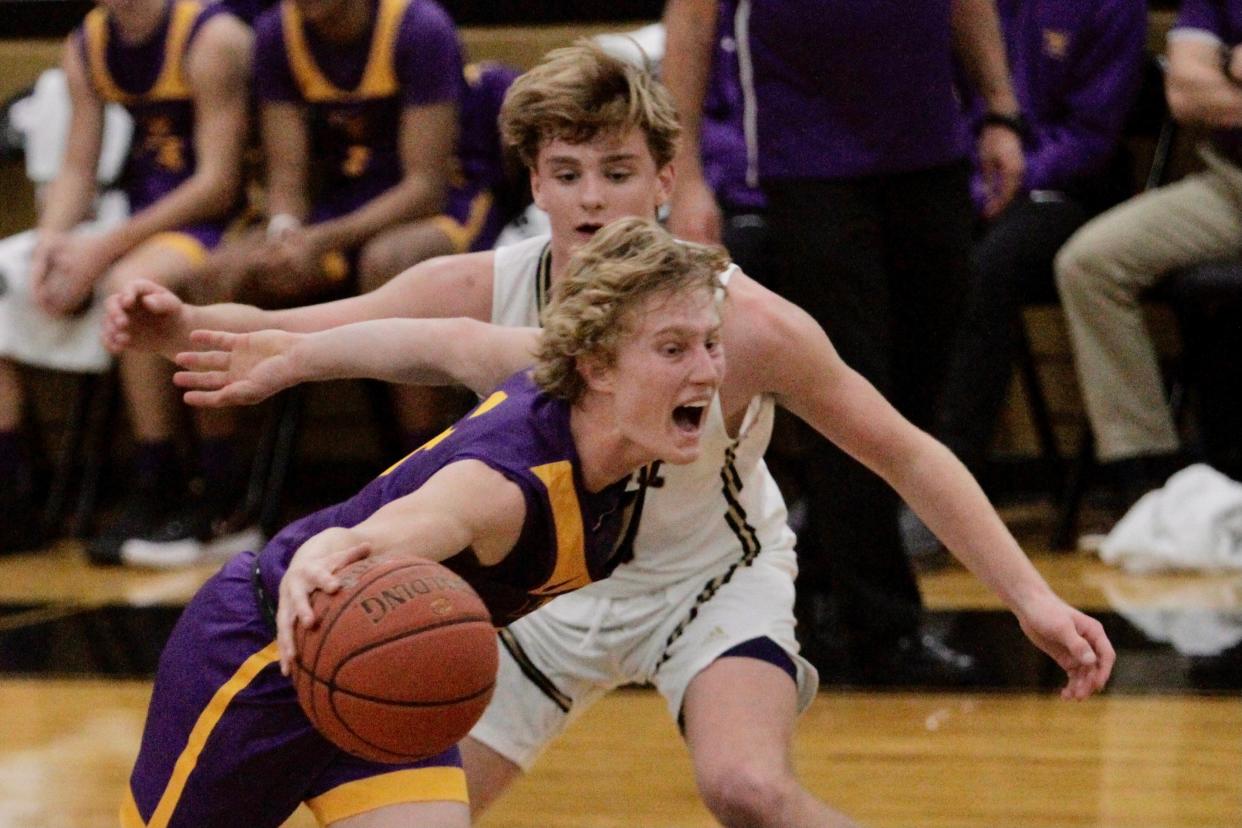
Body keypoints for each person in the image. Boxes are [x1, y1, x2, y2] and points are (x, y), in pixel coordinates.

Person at [107, 43, 1114, 827]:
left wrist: (1030, 598)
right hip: (542, 598)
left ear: (664, 179)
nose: (593, 197)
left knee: (748, 792)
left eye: (619, 171)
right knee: (399, 750)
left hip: (705, 584)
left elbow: (902, 449)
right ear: (534, 184)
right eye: (568, 171)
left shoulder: (748, 323)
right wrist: (181, 328)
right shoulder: (487, 292)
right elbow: (332, 334)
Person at [122, 217, 728, 827]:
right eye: (673, 348)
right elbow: (387, 532)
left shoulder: (570, 382)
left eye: (711, 342)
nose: (705, 370)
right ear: (598, 366)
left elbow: (447, 342)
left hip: (391, 672)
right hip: (261, 655)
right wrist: (325, 553)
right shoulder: (501, 489)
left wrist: (297, 355)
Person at [662, 0, 1026, 684]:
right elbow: (690, 25)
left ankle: (822, 578)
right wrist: (686, 177)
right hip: (809, 160)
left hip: (929, 143)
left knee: (923, 380)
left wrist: (1000, 109)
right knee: (849, 386)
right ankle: (883, 628)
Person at [0, 0, 250, 558]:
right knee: (14, 273)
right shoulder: (88, 39)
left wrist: (99, 251)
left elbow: (217, 185)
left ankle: (192, 477)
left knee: (129, 285)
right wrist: (51, 243)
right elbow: (76, 168)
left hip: (220, 220)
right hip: (139, 215)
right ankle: (18, 491)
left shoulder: (211, 37)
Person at [1053, 0, 1242, 510]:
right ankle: (1149, 474)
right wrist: (1227, 67)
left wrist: (1227, 68)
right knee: (1090, 263)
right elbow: (1184, 92)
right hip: (1231, 184)